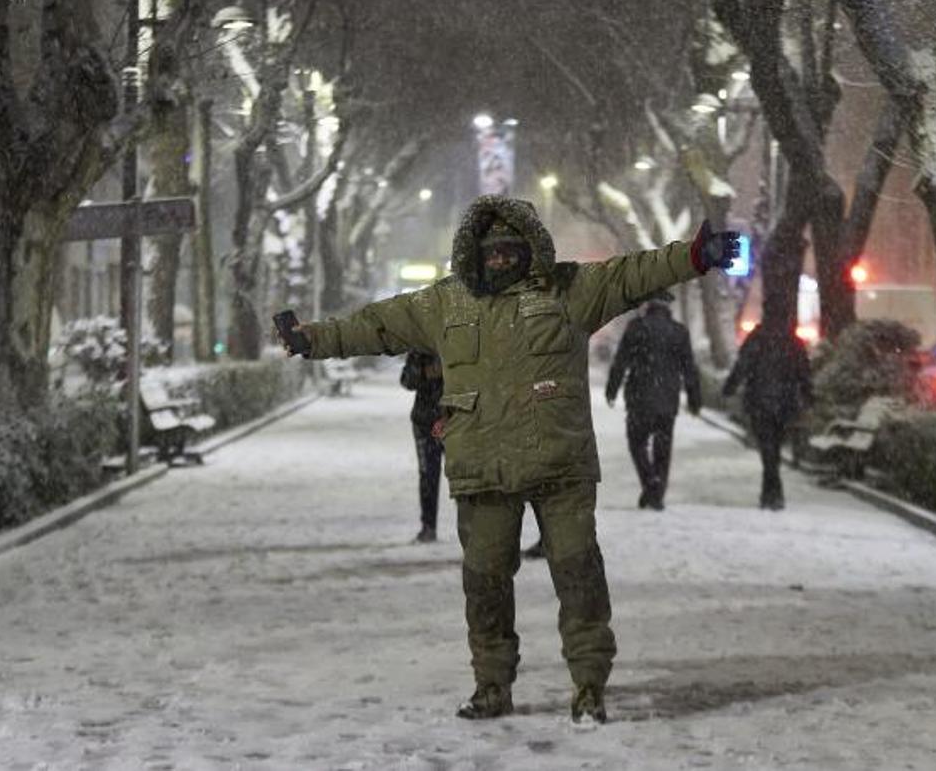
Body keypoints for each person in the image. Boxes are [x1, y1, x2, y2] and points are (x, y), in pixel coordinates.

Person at [277, 194, 742, 724]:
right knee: (485, 586)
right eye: (491, 250)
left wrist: (695, 256)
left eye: (510, 249)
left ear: (530, 250)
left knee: (580, 579)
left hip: (559, 465)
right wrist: (310, 339)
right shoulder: (443, 304)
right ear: (474, 252)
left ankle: (589, 686)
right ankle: (491, 686)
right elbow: (376, 325)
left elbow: (630, 274)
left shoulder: (570, 291)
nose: (500, 258)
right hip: (483, 469)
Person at [605, 291, 701, 510]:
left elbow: (621, 361)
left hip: (639, 397)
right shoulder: (679, 332)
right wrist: (695, 398)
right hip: (668, 398)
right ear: (669, 307)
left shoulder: (636, 327)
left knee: (636, 443)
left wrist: (612, 389)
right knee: (663, 446)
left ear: (648, 304)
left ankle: (650, 482)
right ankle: (657, 491)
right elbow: (689, 369)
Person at [721, 323, 813, 510]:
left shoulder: (757, 337)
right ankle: (772, 492)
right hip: (784, 402)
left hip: (759, 401)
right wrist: (808, 394)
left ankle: (771, 491)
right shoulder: (792, 340)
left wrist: (729, 387)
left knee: (767, 447)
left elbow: (742, 364)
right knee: (775, 447)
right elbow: (803, 370)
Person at [400, 351, 445, 542]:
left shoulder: (459, 339)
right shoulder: (420, 348)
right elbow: (406, 380)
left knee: (465, 476)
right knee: (428, 476)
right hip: (425, 421)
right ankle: (428, 527)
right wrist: (424, 372)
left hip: (457, 419)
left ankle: (472, 530)